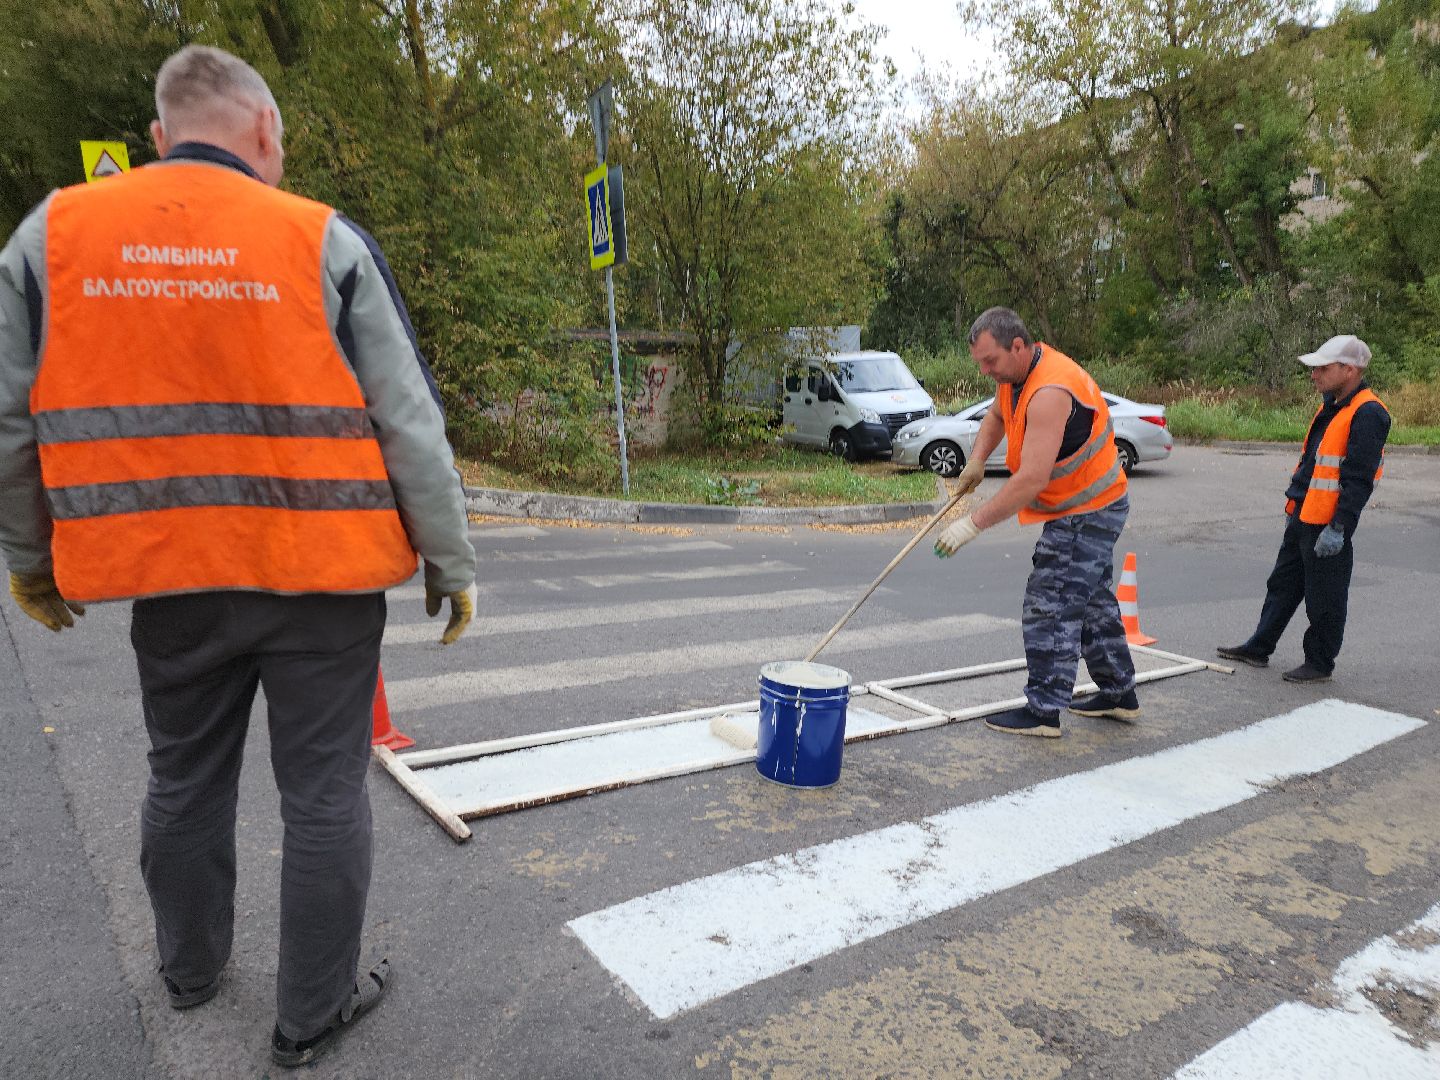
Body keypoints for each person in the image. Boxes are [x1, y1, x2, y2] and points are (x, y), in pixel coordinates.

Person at [0, 45, 478, 1067]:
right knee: (322, 796)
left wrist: (28, 559)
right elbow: (409, 423)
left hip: (169, 579)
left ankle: (188, 972)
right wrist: (449, 562)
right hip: (323, 583)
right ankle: (308, 1018)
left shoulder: (54, 239)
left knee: (183, 778)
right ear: (264, 133)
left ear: (161, 137)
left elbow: (8, 420)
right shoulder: (321, 239)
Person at [934, 307, 1138, 738]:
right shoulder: (1016, 378)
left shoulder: (1050, 390)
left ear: (1019, 346)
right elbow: (994, 417)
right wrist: (975, 462)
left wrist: (972, 524)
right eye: (980, 363)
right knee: (1093, 601)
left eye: (991, 361)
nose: (987, 371)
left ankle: (1044, 710)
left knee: (1051, 602)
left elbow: (1030, 479)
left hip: (1089, 508)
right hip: (1085, 504)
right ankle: (1119, 692)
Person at [1217, 335, 1390, 683]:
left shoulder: (1368, 413)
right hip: (1303, 515)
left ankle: (1320, 662)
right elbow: (1313, 464)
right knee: (1282, 585)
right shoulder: (1333, 404)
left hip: (1327, 524)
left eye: (1323, 368)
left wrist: (1340, 527)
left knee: (1324, 598)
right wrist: (1294, 504)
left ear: (1350, 369)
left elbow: (1359, 479)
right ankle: (1259, 645)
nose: (1314, 375)